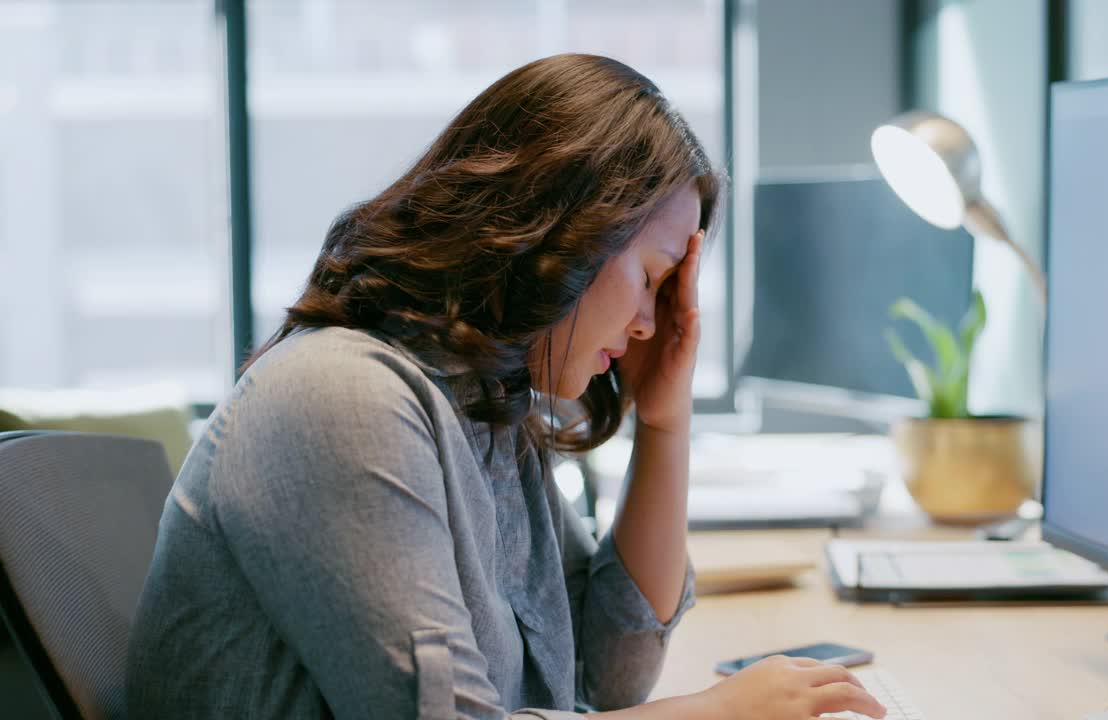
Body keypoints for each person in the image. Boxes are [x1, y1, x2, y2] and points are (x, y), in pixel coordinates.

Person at [125, 53, 886, 720]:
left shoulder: (483, 412)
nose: (653, 324)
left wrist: (665, 421)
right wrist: (718, 714)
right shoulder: (340, 399)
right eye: (652, 280)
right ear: (570, 237)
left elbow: (610, 671)